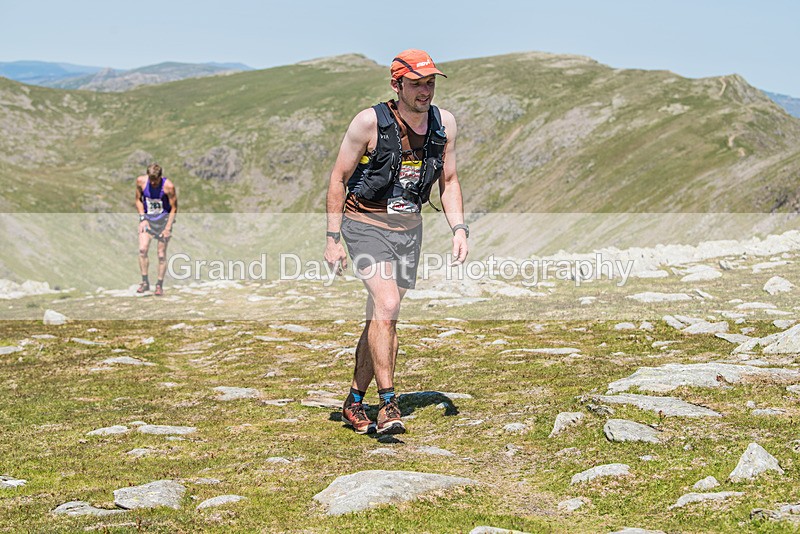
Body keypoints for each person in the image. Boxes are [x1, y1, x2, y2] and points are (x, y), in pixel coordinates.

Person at [324, 49, 469, 434]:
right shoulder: (368, 123)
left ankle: (355, 402)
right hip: (364, 224)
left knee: (381, 316)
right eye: (417, 83)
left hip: (408, 231)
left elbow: (449, 181)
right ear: (396, 84)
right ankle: (388, 404)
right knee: (387, 305)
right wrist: (333, 238)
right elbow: (338, 178)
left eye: (430, 83)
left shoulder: (444, 124)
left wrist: (459, 229)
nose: (426, 91)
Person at [135, 163, 178, 296]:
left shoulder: (168, 186)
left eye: (156, 180)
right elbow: (138, 200)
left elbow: (174, 208)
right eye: (151, 180)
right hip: (147, 221)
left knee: (161, 255)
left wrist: (168, 228)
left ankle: (159, 285)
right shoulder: (141, 181)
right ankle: (145, 282)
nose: (153, 183)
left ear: (161, 177)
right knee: (142, 250)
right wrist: (142, 218)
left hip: (163, 223)